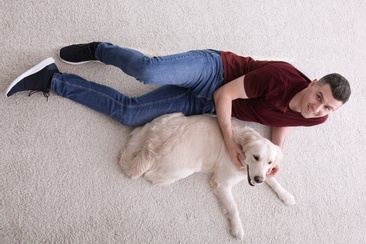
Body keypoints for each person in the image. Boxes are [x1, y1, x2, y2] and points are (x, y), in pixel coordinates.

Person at [5, 42, 351, 176]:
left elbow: (283, 119)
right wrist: (230, 143)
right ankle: (100, 49)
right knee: (147, 70)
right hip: (215, 73)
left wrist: (276, 154)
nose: (317, 108)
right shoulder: (280, 77)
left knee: (128, 113)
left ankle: (52, 79)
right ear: (313, 82)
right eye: (319, 96)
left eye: (327, 108)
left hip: (198, 104)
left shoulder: (316, 117)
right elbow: (225, 97)